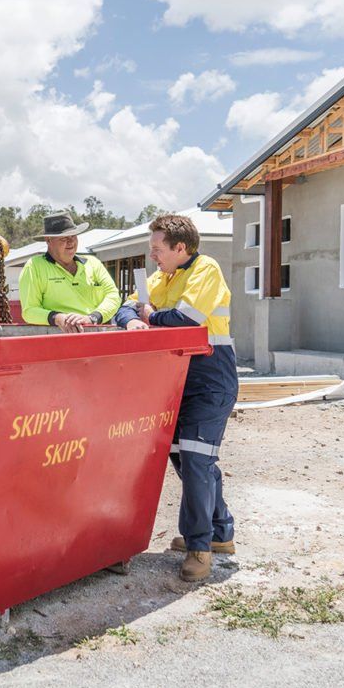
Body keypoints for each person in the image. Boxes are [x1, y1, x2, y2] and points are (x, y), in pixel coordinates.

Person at [114, 214, 237, 582]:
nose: (152, 256)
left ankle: (199, 549)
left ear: (179, 248)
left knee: (198, 460)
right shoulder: (158, 278)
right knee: (187, 460)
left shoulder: (206, 269)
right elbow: (127, 305)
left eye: (157, 249)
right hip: (174, 379)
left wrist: (148, 314)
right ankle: (220, 532)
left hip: (210, 378)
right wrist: (130, 319)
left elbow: (187, 319)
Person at [19, 210, 120, 333]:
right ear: (48, 240)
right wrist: (57, 318)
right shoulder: (34, 266)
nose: (71, 242)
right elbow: (29, 311)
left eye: (73, 236)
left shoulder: (93, 263)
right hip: (55, 340)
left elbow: (113, 296)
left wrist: (92, 317)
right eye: (63, 238)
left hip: (94, 336)